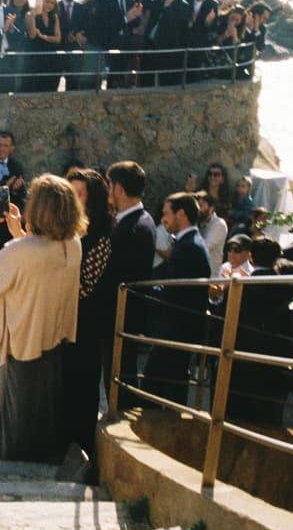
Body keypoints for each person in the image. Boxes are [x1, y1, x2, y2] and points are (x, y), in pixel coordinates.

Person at [0, 174, 85, 463]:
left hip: (24, 342)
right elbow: (42, 261)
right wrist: (20, 234)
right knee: (42, 412)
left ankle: (8, 466)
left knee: (16, 414)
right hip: (54, 341)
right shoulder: (73, 244)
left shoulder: (23, 251)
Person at [142, 192, 212, 406]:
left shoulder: (188, 247)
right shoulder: (190, 242)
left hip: (175, 331)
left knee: (153, 389)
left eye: (166, 214)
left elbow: (176, 293)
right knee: (171, 388)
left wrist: (148, 292)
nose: (163, 219)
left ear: (180, 214)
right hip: (178, 331)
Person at [64, 168, 115, 456]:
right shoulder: (70, 230)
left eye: (79, 194)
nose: (74, 200)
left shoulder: (100, 238)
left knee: (81, 391)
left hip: (84, 327)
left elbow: (83, 287)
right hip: (65, 323)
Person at [106, 160, 156, 396]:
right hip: (122, 313)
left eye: (110, 185)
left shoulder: (135, 227)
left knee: (119, 377)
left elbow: (120, 273)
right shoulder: (135, 221)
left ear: (119, 190)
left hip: (122, 314)